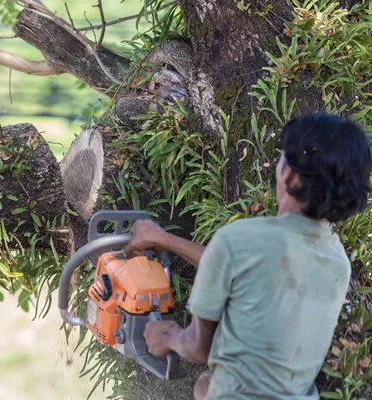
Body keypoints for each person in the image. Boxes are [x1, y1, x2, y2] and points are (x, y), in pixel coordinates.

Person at [123, 113, 372, 399]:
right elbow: (246, 269)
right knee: (204, 386)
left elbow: (198, 347)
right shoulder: (336, 258)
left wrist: (166, 336)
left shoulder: (239, 239)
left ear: (289, 174)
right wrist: (163, 239)